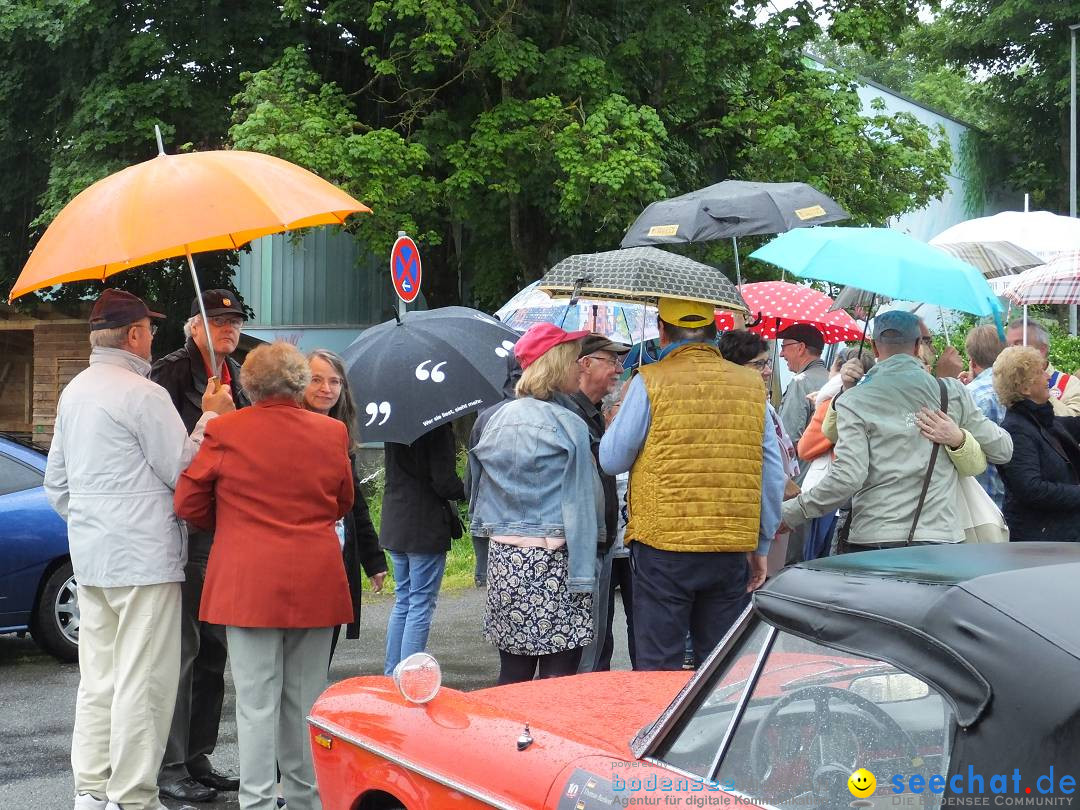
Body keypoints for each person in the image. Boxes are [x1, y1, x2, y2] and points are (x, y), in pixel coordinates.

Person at [44, 289, 233, 810]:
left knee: (99, 678)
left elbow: (57, 485)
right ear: (133, 335)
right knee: (143, 682)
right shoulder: (143, 394)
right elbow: (185, 471)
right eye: (149, 328)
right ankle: (131, 796)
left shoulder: (74, 391)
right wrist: (212, 417)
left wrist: (95, 524)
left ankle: (91, 789)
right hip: (146, 559)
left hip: (92, 557)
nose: (153, 337)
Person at [174, 341, 354, 810]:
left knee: (255, 703)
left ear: (248, 384)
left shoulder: (227, 431)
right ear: (300, 383)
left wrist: (233, 524)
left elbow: (188, 502)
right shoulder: (331, 432)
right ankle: (304, 800)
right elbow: (342, 501)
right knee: (304, 702)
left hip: (247, 581)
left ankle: (255, 802)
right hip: (315, 578)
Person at [600, 299, 784, 671]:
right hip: (730, 543)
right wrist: (761, 543)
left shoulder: (649, 380)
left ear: (662, 331)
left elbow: (612, 459)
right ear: (713, 333)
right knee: (720, 665)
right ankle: (713, 729)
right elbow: (772, 471)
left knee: (660, 661)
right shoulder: (750, 385)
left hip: (663, 543)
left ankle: (661, 727)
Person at [781, 310, 1013, 549]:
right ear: (916, 346)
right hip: (939, 537)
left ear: (873, 345)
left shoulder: (855, 400)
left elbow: (847, 477)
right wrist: (960, 436)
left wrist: (791, 512)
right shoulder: (950, 392)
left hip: (874, 536)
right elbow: (1003, 450)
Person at [151, 290, 249, 802]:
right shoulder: (167, 375)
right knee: (185, 649)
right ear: (193, 327)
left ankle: (198, 755)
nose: (228, 328)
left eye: (233, 320)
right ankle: (170, 766)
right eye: (217, 320)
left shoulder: (244, 376)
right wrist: (209, 419)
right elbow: (169, 457)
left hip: (232, 527)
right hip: (191, 527)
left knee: (214, 647)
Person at [468, 323, 604, 683]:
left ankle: (505, 739)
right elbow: (583, 505)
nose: (581, 367)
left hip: (506, 561)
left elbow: (477, 497)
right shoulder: (569, 424)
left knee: (512, 673)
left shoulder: (492, 420)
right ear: (557, 364)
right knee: (558, 680)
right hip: (556, 562)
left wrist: (483, 560)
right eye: (577, 360)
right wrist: (586, 574)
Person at [302, 349, 387, 663]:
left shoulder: (341, 435)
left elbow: (355, 505)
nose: (327, 388)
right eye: (316, 380)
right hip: (302, 561)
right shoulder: (289, 430)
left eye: (335, 381)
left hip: (337, 559)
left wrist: (373, 559)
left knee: (323, 653)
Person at [556, 334, 627, 673]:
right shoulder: (568, 414)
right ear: (584, 364)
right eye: (611, 360)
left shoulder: (594, 412)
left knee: (600, 641)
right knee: (582, 650)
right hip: (580, 547)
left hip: (604, 540)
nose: (618, 369)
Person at [381, 421, 466, 675]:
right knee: (420, 603)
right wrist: (468, 489)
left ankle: (391, 675)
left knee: (404, 600)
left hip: (395, 520)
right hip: (424, 525)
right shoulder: (437, 427)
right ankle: (407, 678)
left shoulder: (393, 426)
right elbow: (444, 482)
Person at [718, 329, 799, 573]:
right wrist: (783, 485)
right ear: (736, 367)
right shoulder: (738, 406)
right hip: (756, 514)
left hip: (771, 509)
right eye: (759, 364)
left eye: (768, 362)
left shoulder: (763, 404)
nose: (767, 371)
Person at [994, 346, 1080, 541]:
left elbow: (1075, 426)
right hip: (1039, 543)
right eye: (1041, 373)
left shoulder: (1043, 421)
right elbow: (1031, 489)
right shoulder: (1016, 429)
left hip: (1059, 537)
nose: (1048, 377)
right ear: (1025, 388)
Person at [467, 353, 522, 588]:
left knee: (500, 606)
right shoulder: (556, 412)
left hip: (491, 522)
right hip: (541, 533)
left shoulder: (486, 416)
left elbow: (472, 480)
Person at [964, 324, 1007, 508]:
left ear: (972, 362)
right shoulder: (1018, 387)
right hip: (1013, 499)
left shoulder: (969, 395)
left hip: (980, 503)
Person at [1005, 318, 1080, 416]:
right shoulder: (1002, 383)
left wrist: (1040, 392)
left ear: (1042, 350)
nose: (1011, 351)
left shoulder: (1069, 384)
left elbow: (1074, 423)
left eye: (1019, 345)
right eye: (1008, 346)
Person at [776, 323, 828, 449]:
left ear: (800, 348)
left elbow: (787, 438)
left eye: (784, 347)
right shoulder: (833, 380)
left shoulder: (800, 382)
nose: (781, 354)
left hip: (802, 467)